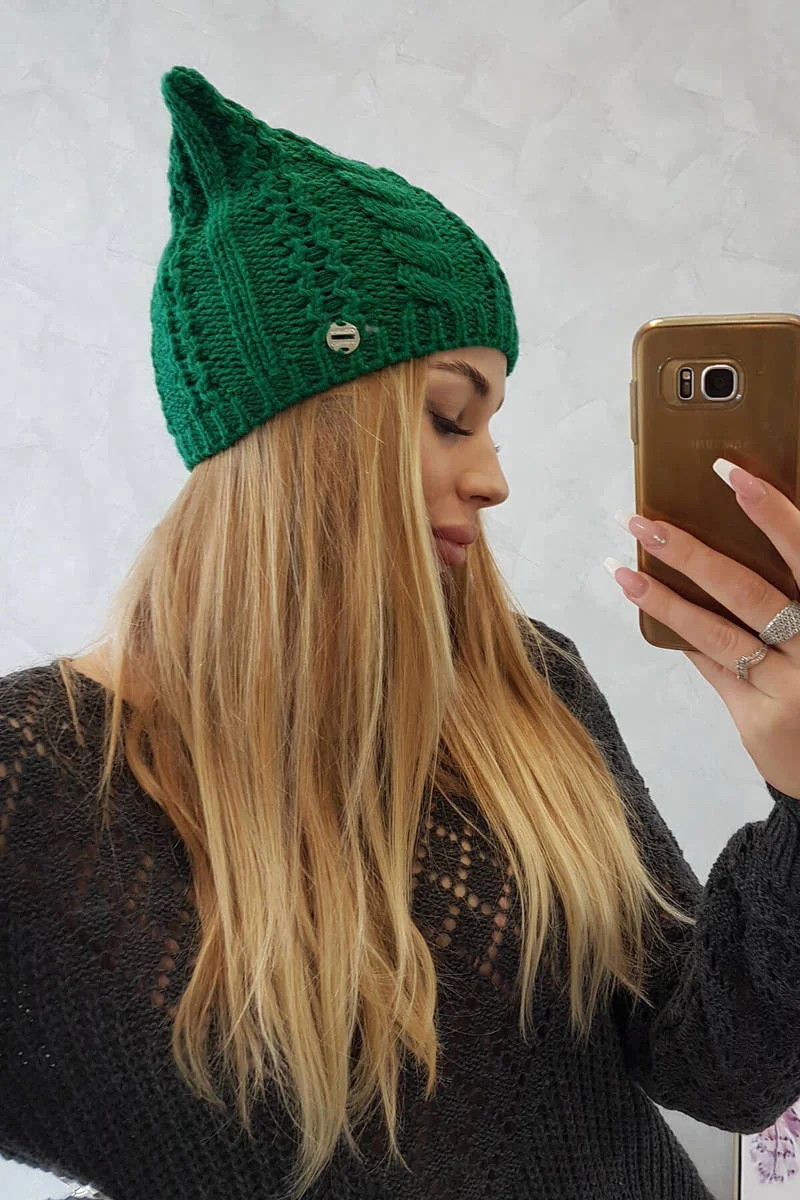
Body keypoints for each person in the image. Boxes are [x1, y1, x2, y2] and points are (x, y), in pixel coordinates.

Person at [2, 64, 800, 1200]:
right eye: (447, 415)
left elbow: (714, 1069)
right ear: (300, 423)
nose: (494, 479)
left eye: (491, 423)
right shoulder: (31, 790)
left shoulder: (526, 683)